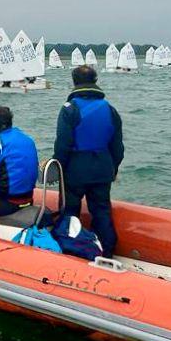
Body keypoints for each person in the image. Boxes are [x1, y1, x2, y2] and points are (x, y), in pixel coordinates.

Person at [53, 66, 123, 258]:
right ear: (95, 81)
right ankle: (107, 252)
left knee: (69, 212)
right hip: (103, 169)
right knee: (101, 211)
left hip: (75, 170)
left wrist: (58, 167)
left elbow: (63, 144)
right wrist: (114, 168)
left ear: (74, 82)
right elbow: (118, 147)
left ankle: (71, 249)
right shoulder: (110, 110)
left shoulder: (69, 109)